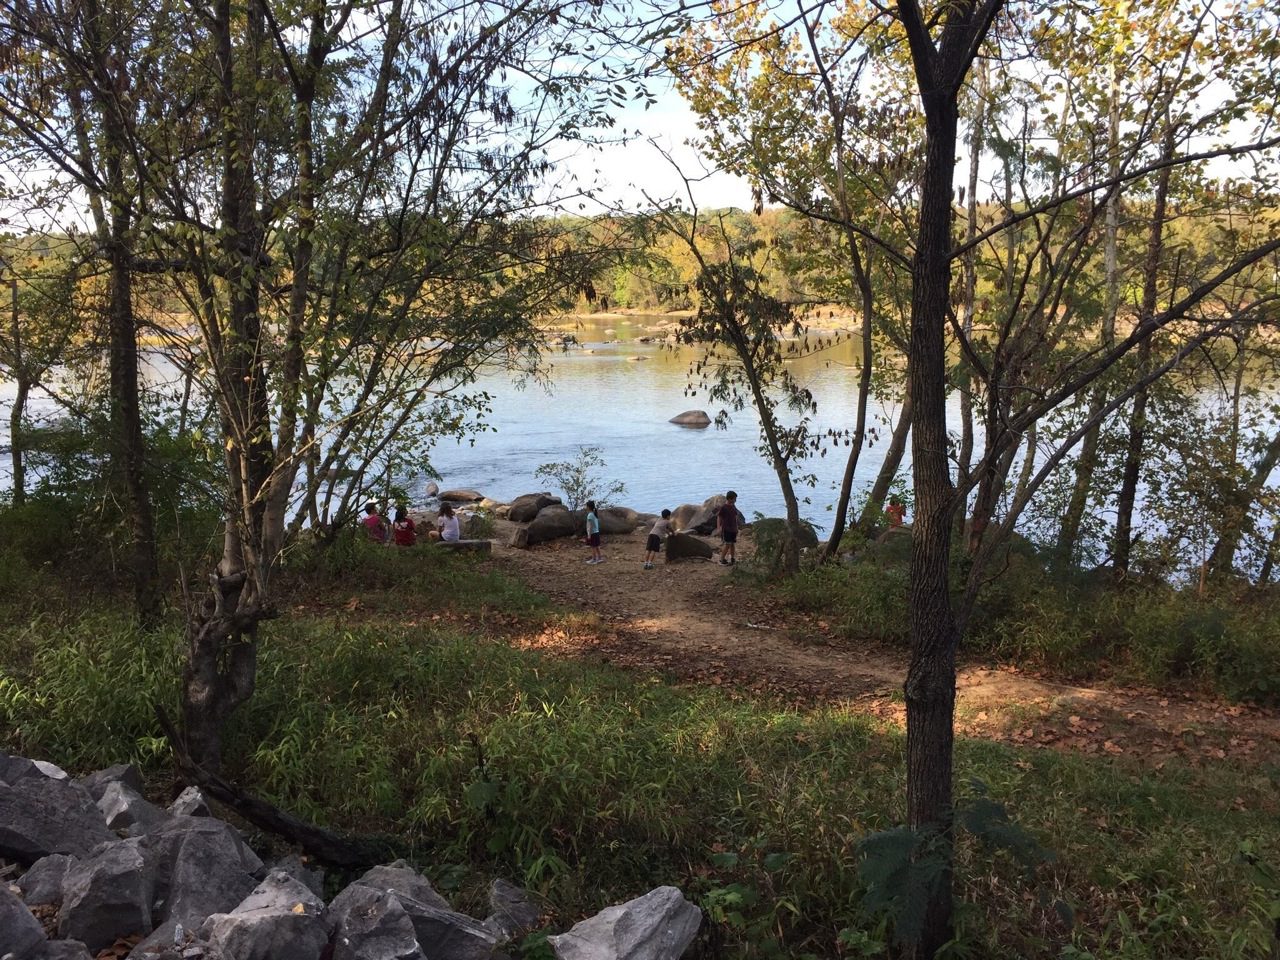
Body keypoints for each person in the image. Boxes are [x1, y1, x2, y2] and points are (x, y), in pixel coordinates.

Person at [715, 490, 739, 566]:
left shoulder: (733, 507)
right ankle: (722, 559)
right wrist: (718, 527)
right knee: (727, 544)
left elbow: (735, 517)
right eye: (734, 499)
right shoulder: (724, 507)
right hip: (726, 529)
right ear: (729, 499)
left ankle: (732, 558)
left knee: (732, 544)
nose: (735, 500)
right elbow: (719, 517)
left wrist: (737, 527)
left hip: (733, 529)